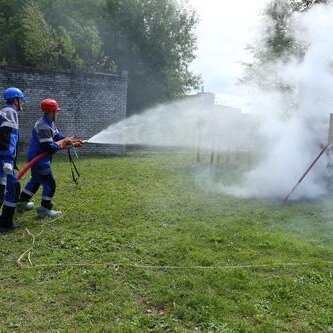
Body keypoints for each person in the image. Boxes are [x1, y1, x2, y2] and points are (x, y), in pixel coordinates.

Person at [17, 98, 83, 218]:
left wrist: (71, 140)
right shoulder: (42, 126)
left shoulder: (49, 123)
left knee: (36, 180)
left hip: (39, 159)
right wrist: (64, 142)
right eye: (56, 111)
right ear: (51, 112)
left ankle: (21, 203)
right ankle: (44, 209)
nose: (58, 113)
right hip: (39, 160)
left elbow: (57, 136)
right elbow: (50, 147)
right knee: (49, 183)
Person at [0, 87, 26, 233]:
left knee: (3, 190)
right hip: (3, 159)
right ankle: (5, 223)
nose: (22, 103)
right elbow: (8, 136)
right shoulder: (11, 112)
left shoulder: (4, 112)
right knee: (13, 187)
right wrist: (8, 159)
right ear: (15, 100)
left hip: (2, 157)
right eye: (21, 100)